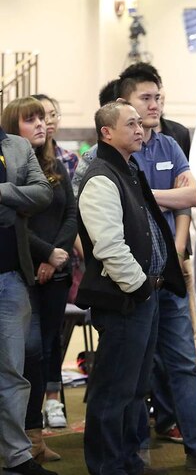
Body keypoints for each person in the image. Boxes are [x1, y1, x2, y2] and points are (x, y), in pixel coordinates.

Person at [112, 64, 196, 473]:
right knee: (136, 370)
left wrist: (172, 235)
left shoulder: (168, 145)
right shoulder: (113, 155)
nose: (154, 105)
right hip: (129, 279)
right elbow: (126, 205)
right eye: (145, 98)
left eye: (158, 97)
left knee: (184, 362)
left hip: (170, 273)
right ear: (124, 103)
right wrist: (169, 198)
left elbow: (194, 195)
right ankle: (133, 455)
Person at [76, 100, 186, 475]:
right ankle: (107, 467)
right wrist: (139, 288)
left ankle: (126, 462)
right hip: (126, 298)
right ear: (107, 133)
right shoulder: (102, 175)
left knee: (136, 389)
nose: (140, 129)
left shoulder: (128, 168)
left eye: (141, 123)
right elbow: (109, 246)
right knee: (114, 392)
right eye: (131, 124)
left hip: (144, 295)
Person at [2, 99, 76, 463]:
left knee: (42, 353)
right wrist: (44, 254)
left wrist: (56, 254)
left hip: (51, 271)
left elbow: (66, 210)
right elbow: (16, 222)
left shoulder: (53, 163)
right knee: (27, 357)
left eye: (43, 118)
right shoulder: (12, 162)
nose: (41, 124)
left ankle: (31, 440)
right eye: (30, 119)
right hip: (24, 269)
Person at [0, 105, 54, 475]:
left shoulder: (16, 147)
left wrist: (2, 191)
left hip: (10, 276)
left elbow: (42, 194)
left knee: (12, 372)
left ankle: (17, 455)